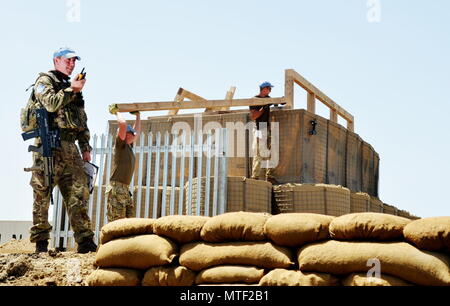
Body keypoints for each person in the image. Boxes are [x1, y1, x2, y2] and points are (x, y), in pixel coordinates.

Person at [29, 47, 97, 253]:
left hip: (70, 149)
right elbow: (50, 104)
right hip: (48, 147)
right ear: (56, 60)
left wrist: (85, 147)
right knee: (42, 194)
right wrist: (71, 90)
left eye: (74, 61)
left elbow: (81, 120)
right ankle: (41, 243)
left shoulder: (73, 88)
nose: (71, 64)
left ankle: (85, 241)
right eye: (67, 60)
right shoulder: (44, 81)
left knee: (79, 194)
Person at [106, 111, 141, 222]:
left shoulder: (129, 146)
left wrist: (138, 116)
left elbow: (137, 132)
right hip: (117, 188)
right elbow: (122, 124)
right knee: (117, 223)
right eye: (131, 133)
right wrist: (117, 112)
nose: (134, 135)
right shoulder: (120, 145)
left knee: (130, 222)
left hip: (125, 189)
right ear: (125, 134)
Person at [249, 81, 277, 183]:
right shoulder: (255, 100)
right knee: (258, 152)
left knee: (272, 151)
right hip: (259, 128)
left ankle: (269, 175)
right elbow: (253, 116)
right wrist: (263, 108)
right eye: (269, 89)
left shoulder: (268, 99)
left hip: (266, 128)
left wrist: (280, 101)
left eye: (270, 89)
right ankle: (255, 176)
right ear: (264, 88)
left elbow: (275, 102)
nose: (270, 91)